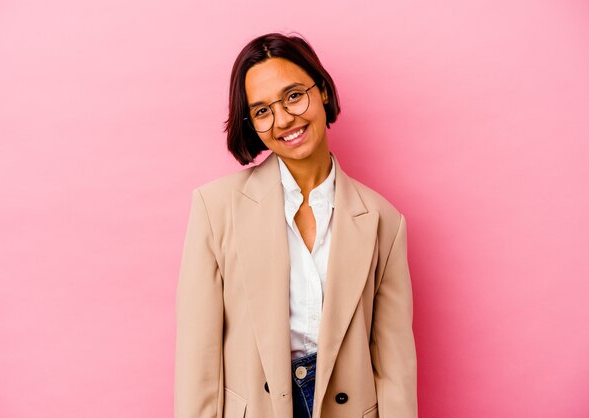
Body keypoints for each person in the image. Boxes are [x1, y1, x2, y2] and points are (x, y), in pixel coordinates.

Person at [174, 32, 417, 418]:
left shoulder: (383, 220)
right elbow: (197, 357)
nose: (284, 119)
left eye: (292, 95)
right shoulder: (215, 207)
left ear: (321, 90)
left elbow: (394, 366)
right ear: (251, 123)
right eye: (262, 110)